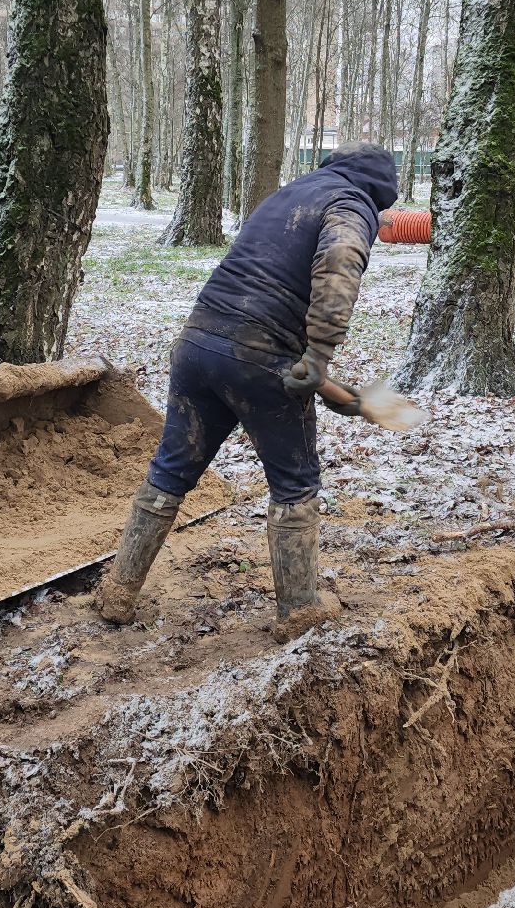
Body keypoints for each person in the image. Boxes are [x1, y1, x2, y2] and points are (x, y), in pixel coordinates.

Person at [94, 144, 397, 641]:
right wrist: (318, 356)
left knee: (171, 469)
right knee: (295, 483)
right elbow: (340, 261)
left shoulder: (291, 192)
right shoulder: (350, 204)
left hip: (197, 345)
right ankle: (299, 611)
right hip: (259, 360)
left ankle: (118, 592)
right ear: (379, 191)